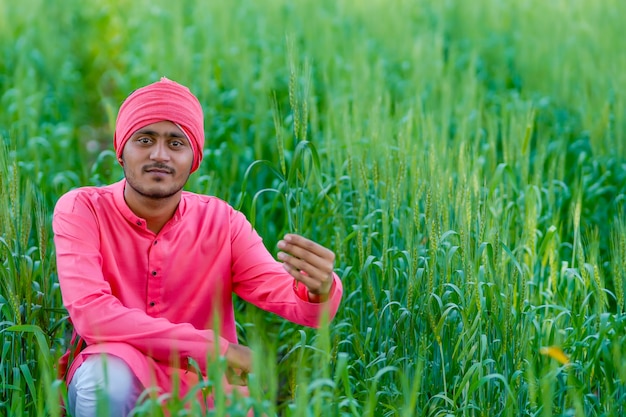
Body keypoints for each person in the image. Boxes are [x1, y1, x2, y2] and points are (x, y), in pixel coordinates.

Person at [52, 77, 343, 416]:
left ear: (194, 158)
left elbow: (284, 294)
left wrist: (318, 288)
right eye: (144, 139)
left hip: (205, 385)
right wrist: (214, 348)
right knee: (103, 380)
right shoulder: (82, 209)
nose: (159, 155)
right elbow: (93, 315)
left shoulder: (223, 222)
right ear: (120, 149)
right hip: (121, 368)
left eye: (176, 143)